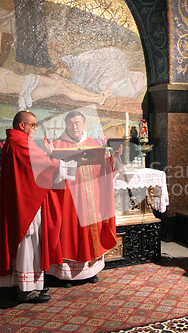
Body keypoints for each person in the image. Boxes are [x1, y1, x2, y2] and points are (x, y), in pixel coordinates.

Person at [0, 24, 110, 138]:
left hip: (29, 80)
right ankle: (96, 99)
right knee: (60, 88)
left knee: (59, 81)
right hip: (27, 91)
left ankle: (97, 96)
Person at [0, 110, 65, 303]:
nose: (35, 128)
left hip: (23, 200)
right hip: (27, 204)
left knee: (29, 244)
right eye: (32, 125)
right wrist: (53, 156)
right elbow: (45, 166)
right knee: (29, 244)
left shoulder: (13, 142)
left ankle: (31, 284)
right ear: (21, 125)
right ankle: (26, 289)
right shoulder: (20, 142)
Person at [46, 110, 118, 286]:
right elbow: (49, 172)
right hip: (68, 200)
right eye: (71, 124)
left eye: (78, 123)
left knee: (90, 233)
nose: (74, 127)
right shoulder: (57, 145)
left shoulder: (92, 143)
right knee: (69, 234)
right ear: (66, 125)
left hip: (91, 197)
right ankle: (66, 275)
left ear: (84, 124)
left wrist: (112, 161)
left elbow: (103, 171)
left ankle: (90, 271)